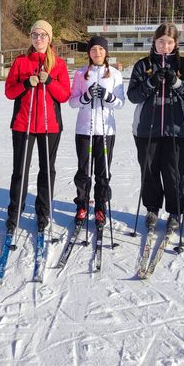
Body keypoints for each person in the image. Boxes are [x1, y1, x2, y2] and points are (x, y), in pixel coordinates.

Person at [127, 22, 184, 232]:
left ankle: (175, 212)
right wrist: (151, 82)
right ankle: (152, 209)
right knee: (149, 171)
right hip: (146, 128)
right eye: (160, 42)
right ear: (154, 41)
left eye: (169, 42)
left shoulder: (183, 65)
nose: (164, 46)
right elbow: (133, 96)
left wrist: (176, 83)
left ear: (175, 44)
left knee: (174, 172)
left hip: (175, 129)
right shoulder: (143, 65)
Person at [4, 20, 71, 232]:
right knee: (20, 171)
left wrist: (50, 81)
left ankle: (43, 212)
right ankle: (15, 212)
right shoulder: (21, 61)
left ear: (49, 38)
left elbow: (64, 95)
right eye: (35, 34)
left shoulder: (58, 64)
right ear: (31, 37)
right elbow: (9, 92)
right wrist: (26, 83)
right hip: (23, 124)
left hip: (50, 126)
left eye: (43, 35)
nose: (39, 38)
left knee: (47, 170)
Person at [68, 36, 125, 227]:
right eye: (93, 49)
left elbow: (120, 103)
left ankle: (100, 207)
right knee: (84, 171)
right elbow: (72, 101)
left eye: (101, 49)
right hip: (85, 129)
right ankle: (82, 205)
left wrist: (108, 96)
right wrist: (85, 96)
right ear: (89, 52)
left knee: (103, 172)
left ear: (106, 52)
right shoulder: (81, 73)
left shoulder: (115, 74)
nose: (97, 52)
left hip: (106, 131)